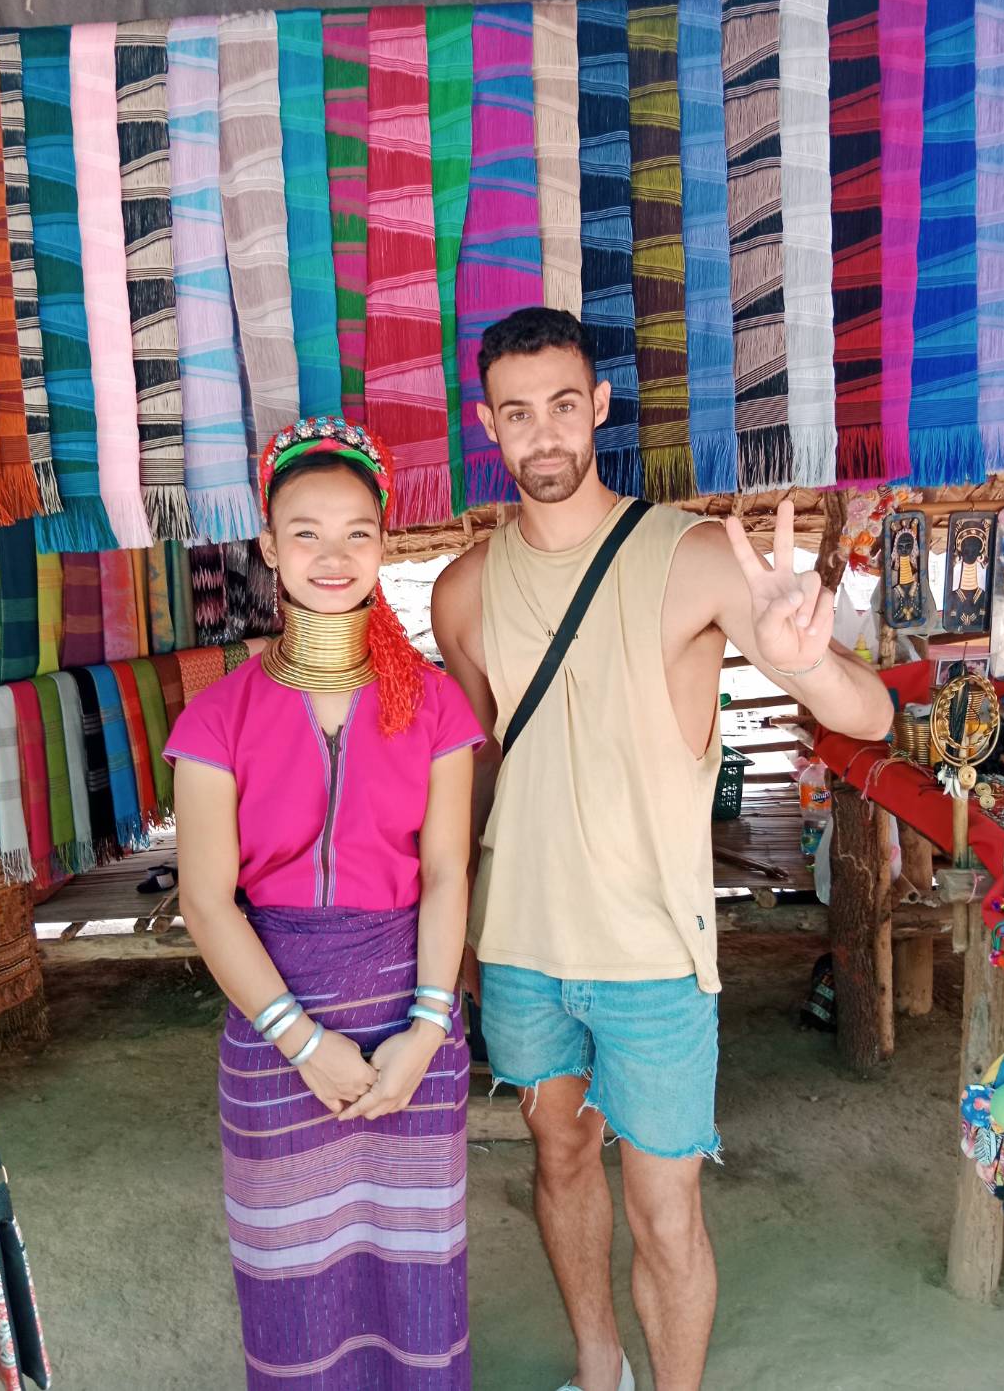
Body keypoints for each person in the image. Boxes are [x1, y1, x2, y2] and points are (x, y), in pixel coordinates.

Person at [432, 308, 894, 1391]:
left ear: (598, 407)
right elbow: (481, 773)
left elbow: (869, 716)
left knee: (665, 1208)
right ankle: (600, 1368)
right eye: (516, 413)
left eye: (563, 405)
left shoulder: (688, 557)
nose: (543, 433)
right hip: (520, 948)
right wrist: (457, 937)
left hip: (652, 955)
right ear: (488, 426)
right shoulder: (462, 592)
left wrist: (805, 662)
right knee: (558, 1159)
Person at [167, 418, 484, 1390]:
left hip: (411, 1029)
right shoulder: (216, 716)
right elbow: (206, 901)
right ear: (268, 545)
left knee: (415, 1269)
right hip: (275, 1035)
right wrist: (303, 1042)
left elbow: (446, 874)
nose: (333, 555)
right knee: (293, 1278)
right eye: (305, 532)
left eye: (357, 532)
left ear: (384, 544)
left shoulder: (434, 704)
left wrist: (426, 1029)